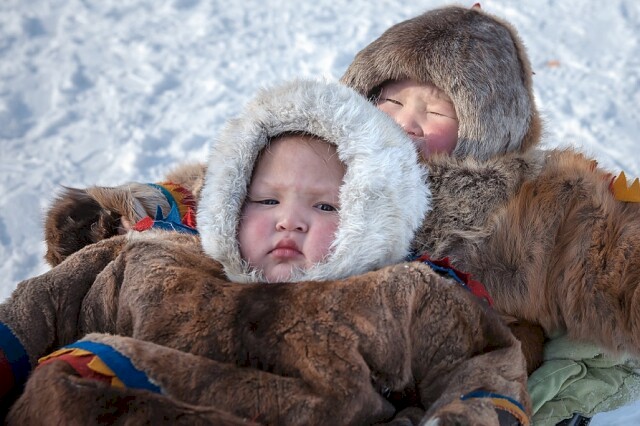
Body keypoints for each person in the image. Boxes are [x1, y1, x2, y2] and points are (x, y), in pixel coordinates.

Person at [1, 79, 530, 425]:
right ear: (229, 201)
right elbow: (42, 309)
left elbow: (483, 366)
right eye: (267, 200)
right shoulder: (155, 260)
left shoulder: (400, 295)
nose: (289, 218)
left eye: (325, 207)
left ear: (373, 220)